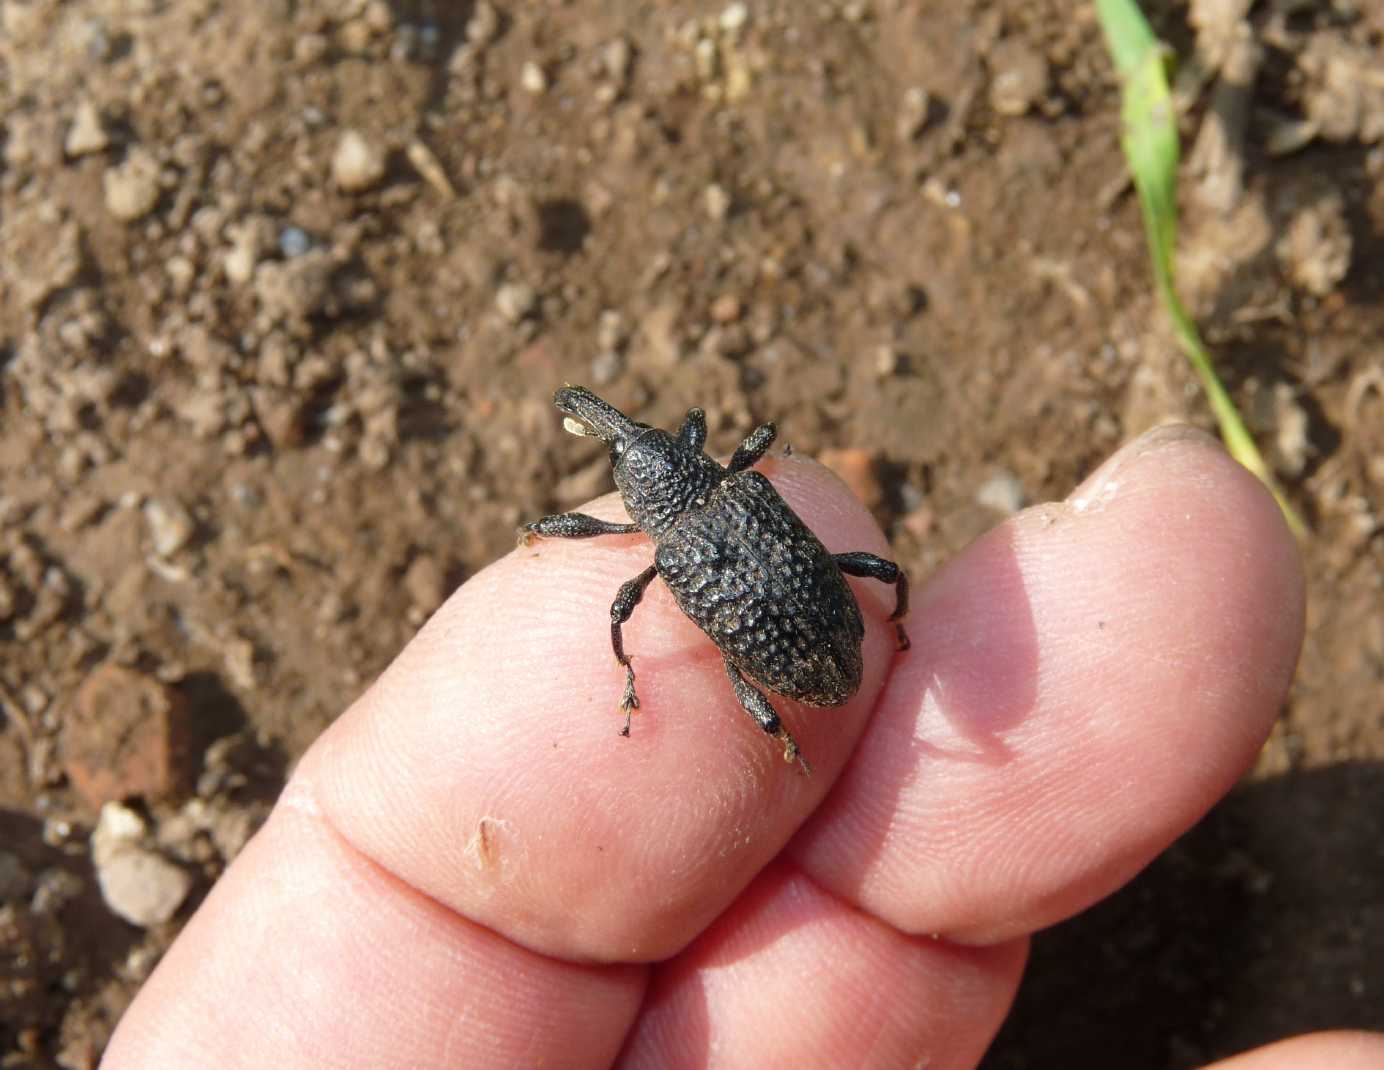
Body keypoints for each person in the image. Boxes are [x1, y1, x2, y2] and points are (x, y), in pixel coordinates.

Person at [101, 426, 1381, 1068]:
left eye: (637, 454)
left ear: (663, 482)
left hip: (792, 632)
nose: (633, 461)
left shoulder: (677, 539)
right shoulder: (728, 498)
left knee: (785, 658)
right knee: (822, 617)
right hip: (812, 620)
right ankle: (831, 693)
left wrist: (628, 674)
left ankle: (804, 720)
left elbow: (635, 592)